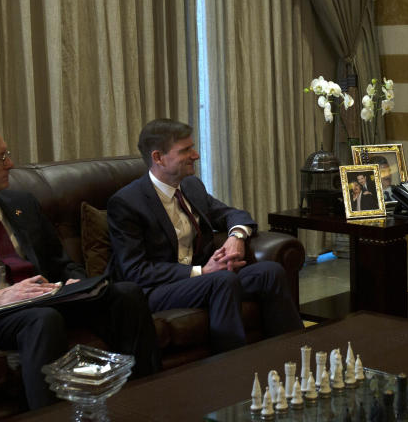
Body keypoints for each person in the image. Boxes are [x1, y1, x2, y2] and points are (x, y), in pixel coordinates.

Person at [0, 123, 160, 410]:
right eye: (0, 158)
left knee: (126, 294)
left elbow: (61, 262)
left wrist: (75, 282)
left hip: (49, 296)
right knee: (41, 319)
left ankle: (149, 397)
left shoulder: (22, 204)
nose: (11, 164)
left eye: (7, 154)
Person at [106, 119, 302, 352]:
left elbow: (234, 214)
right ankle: (230, 369)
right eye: (185, 150)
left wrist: (236, 237)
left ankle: (294, 355)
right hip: (157, 290)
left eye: (193, 147)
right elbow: (135, 271)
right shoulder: (127, 203)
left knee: (269, 272)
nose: (196, 155)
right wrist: (202, 271)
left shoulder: (191, 186)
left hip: (205, 280)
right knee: (222, 280)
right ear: (158, 158)